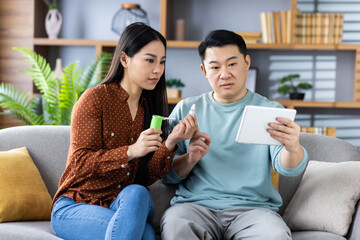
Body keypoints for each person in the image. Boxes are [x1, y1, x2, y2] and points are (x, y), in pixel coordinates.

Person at [51, 22, 198, 240]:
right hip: (76, 205)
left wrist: (170, 143)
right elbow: (80, 164)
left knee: (138, 191)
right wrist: (130, 151)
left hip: (126, 204)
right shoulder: (94, 100)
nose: (157, 69)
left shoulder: (149, 109)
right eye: (149, 60)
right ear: (124, 59)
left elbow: (146, 176)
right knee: (146, 235)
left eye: (162, 62)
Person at [161, 29, 309, 240]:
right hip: (195, 208)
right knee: (176, 226)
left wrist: (293, 147)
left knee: (275, 235)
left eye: (232, 64)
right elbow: (167, 176)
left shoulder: (270, 110)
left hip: (254, 211)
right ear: (204, 70)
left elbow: (288, 168)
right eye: (215, 67)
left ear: (247, 63)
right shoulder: (186, 109)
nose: (225, 74)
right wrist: (191, 158)